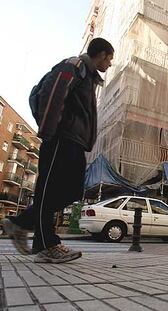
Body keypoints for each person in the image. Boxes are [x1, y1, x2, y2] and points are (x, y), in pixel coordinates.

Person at [1, 38, 114, 263]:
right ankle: (46, 245)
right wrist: (49, 131)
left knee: (71, 191)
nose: (110, 64)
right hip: (61, 138)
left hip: (75, 142)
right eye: (109, 59)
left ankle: (20, 223)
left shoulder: (89, 78)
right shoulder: (75, 66)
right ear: (100, 55)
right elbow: (53, 93)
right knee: (48, 190)